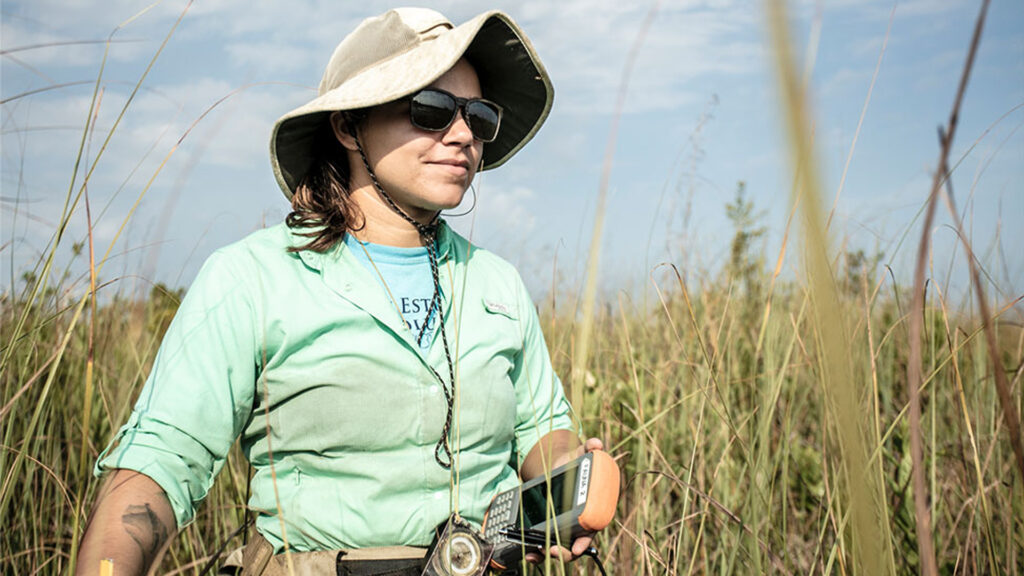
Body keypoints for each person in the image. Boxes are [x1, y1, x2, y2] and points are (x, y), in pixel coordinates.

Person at [76, 8, 605, 576]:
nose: (460, 135)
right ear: (348, 126)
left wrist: (568, 474)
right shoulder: (251, 278)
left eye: (478, 117)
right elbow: (160, 461)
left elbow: (541, 428)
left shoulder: (497, 284)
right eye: (429, 109)